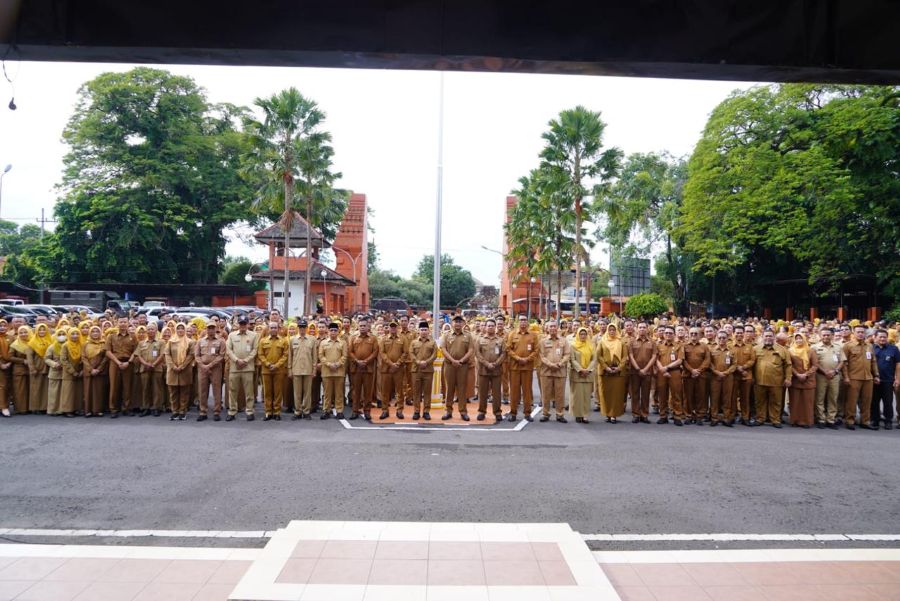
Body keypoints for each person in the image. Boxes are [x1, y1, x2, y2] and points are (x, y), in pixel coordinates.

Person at [751, 329, 792, 428]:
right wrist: (751, 377)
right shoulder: (755, 349)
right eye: (766, 336)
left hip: (776, 381)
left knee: (776, 401)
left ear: (774, 337)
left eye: (770, 336)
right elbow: (751, 364)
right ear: (762, 336)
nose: (768, 338)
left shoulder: (782, 350)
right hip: (759, 380)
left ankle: (775, 420)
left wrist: (788, 378)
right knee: (759, 401)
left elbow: (788, 365)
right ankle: (760, 418)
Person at [841, 324, 878, 430]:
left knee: (867, 401)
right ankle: (850, 420)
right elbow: (844, 363)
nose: (861, 334)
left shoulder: (869, 346)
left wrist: (876, 375)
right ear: (853, 333)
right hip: (854, 377)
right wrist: (846, 377)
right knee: (852, 401)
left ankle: (865, 421)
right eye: (858, 332)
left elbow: (873, 362)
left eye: (862, 332)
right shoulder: (848, 346)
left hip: (868, 378)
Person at [506, 314, 539, 422]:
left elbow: (536, 350)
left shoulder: (533, 335)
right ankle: (513, 412)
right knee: (514, 391)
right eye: (521, 320)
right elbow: (508, 349)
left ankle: (527, 413)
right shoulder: (512, 334)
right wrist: (518, 358)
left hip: (527, 367)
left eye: (525, 320)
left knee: (527, 391)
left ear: (527, 322)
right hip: (515, 367)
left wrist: (527, 359)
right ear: (518, 322)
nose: (523, 322)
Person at [441, 315, 474, 421]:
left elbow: (470, 350)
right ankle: (448, 411)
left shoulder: (468, 336)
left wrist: (461, 360)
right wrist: (453, 360)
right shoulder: (446, 335)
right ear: (452, 323)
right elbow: (443, 349)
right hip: (450, 365)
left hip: (462, 366)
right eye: (456, 322)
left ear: (463, 323)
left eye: (460, 322)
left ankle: (463, 411)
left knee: (462, 389)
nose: (458, 324)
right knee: (449, 388)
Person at [226, 317, 259, 421]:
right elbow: (229, 350)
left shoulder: (254, 335)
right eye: (241, 324)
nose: (243, 326)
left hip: (248, 367)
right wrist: (236, 360)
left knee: (249, 391)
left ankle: (249, 411)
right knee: (233, 391)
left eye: (245, 323)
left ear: (248, 324)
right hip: (235, 367)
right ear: (238, 324)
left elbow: (255, 350)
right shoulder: (231, 335)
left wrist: (245, 360)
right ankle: (232, 411)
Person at [538, 320, 569, 423]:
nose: (552, 328)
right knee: (546, 393)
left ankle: (559, 414)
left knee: (560, 394)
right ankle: (545, 413)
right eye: (550, 327)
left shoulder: (564, 341)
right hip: (546, 371)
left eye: (554, 326)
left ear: (557, 328)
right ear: (547, 328)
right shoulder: (543, 341)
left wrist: (560, 363)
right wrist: (551, 365)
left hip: (560, 371)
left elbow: (567, 354)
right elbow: (541, 356)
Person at [475, 318, 505, 423]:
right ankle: (482, 412)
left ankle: (497, 412)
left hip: (496, 370)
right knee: (483, 392)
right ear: (485, 327)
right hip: (483, 370)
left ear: (495, 327)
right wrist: (487, 364)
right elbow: (477, 354)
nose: (490, 327)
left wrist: (496, 364)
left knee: (496, 393)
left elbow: (503, 354)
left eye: (492, 325)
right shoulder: (480, 339)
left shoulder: (500, 340)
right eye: (488, 325)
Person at [105, 317, 137, 417]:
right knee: (114, 386)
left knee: (127, 387)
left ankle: (126, 408)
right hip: (115, 363)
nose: (123, 324)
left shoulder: (132, 336)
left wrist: (129, 362)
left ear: (128, 323)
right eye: (121, 322)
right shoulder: (111, 336)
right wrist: (118, 362)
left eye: (125, 322)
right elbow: (107, 351)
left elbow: (136, 351)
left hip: (128, 363)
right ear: (116, 323)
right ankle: (113, 409)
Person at [812, 327, 843, 429]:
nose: (826, 337)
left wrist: (835, 371)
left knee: (833, 398)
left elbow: (842, 361)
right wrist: (824, 371)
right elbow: (814, 362)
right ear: (820, 336)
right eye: (824, 335)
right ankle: (821, 419)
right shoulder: (815, 347)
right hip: (820, 376)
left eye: (828, 335)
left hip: (834, 376)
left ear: (832, 336)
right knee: (819, 398)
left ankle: (831, 419)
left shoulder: (838, 347)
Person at [349, 317, 378, 420]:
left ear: (368, 326)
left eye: (364, 326)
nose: (362, 327)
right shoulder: (353, 338)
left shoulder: (373, 338)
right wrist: (357, 361)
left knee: (368, 391)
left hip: (368, 368)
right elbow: (350, 351)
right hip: (356, 368)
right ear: (358, 326)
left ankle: (367, 411)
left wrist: (366, 361)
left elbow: (375, 352)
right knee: (356, 391)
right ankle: (355, 410)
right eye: (360, 326)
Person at [378, 321, 409, 419]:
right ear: (389, 328)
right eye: (391, 327)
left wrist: (398, 364)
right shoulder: (384, 339)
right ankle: (384, 410)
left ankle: (399, 410)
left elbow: (405, 353)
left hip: (399, 369)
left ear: (397, 328)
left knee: (399, 391)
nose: (393, 329)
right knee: (385, 391)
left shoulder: (403, 339)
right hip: (386, 369)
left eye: (394, 327)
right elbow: (382, 353)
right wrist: (391, 364)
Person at [258, 321, 288, 421]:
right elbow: (260, 355)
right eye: (272, 328)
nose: (273, 329)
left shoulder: (283, 341)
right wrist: (268, 364)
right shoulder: (263, 341)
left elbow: (285, 355)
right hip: (266, 370)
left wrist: (277, 365)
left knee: (278, 392)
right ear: (268, 329)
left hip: (279, 370)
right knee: (267, 392)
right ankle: (268, 412)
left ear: (278, 329)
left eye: (275, 328)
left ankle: (277, 412)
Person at [655, 326, 685, 425]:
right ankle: (663, 415)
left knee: (676, 395)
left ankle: (677, 416)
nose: (668, 334)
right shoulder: (659, 345)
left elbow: (680, 360)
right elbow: (656, 359)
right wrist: (662, 370)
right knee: (662, 395)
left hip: (674, 372)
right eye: (666, 333)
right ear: (663, 334)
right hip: (661, 373)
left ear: (674, 334)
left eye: (670, 333)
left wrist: (667, 368)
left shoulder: (679, 345)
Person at [627, 321, 657, 424]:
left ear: (647, 329)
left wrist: (645, 369)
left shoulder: (652, 342)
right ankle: (635, 414)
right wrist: (638, 369)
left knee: (645, 394)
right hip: (635, 372)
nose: (642, 329)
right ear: (637, 328)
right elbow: (630, 356)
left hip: (647, 372)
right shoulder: (632, 342)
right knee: (635, 394)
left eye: (644, 327)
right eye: (640, 327)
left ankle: (644, 414)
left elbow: (654, 356)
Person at [165, 323, 196, 421]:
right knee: (173, 392)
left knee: (184, 392)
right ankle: (175, 411)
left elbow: (191, 355)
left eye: (182, 328)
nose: (180, 330)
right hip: (172, 370)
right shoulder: (171, 341)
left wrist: (182, 366)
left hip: (185, 370)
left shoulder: (190, 342)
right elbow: (167, 354)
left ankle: (182, 411)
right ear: (175, 330)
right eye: (178, 329)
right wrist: (173, 366)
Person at [871, 328, 900, 430]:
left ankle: (888, 421)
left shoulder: (893, 349)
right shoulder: (871, 348)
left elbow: (898, 364)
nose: (883, 339)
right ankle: (875, 420)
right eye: (880, 337)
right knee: (874, 401)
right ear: (875, 337)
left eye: (884, 337)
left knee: (888, 401)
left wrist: (897, 379)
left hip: (888, 379)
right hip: (874, 379)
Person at [597, 323, 627, 423]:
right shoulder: (602, 341)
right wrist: (606, 367)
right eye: (610, 330)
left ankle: (614, 414)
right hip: (605, 373)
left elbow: (624, 357)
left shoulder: (621, 342)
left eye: (614, 330)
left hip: (618, 373)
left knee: (616, 394)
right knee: (606, 394)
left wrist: (619, 368)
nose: (612, 332)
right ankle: (607, 413)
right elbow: (599, 356)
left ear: (617, 330)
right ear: (607, 331)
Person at [195, 322, 225, 421]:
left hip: (215, 368)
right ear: (206, 329)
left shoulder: (221, 341)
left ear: (215, 329)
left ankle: (217, 411)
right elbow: (197, 355)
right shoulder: (200, 341)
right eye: (209, 328)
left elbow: (221, 355)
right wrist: (203, 365)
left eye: (212, 328)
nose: (210, 330)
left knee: (217, 390)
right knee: (202, 390)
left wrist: (210, 365)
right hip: (202, 368)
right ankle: (203, 411)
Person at [134, 324, 165, 416]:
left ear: (156, 331)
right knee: (145, 388)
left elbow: (162, 355)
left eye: (152, 329)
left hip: (157, 368)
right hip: (144, 368)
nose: (150, 331)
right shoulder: (141, 343)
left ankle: (156, 407)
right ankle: (145, 407)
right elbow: (138, 355)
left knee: (157, 389)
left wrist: (154, 364)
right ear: (146, 331)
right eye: (149, 329)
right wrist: (145, 364)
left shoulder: (161, 342)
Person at [788, 332, 818, 428]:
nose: (799, 340)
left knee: (807, 402)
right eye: (797, 338)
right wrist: (797, 374)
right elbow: (789, 365)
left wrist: (806, 374)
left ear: (804, 339)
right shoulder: (790, 351)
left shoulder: (811, 351)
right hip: (795, 379)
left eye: (801, 338)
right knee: (795, 401)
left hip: (808, 380)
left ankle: (806, 421)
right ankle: (794, 420)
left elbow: (815, 365)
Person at [318, 322, 348, 419]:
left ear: (338, 331)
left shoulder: (342, 342)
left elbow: (345, 356)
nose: (333, 332)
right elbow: (321, 356)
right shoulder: (323, 343)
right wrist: (329, 364)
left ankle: (339, 411)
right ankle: (326, 410)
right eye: (331, 330)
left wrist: (337, 364)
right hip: (327, 371)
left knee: (339, 393)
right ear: (328, 331)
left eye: (335, 330)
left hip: (339, 371)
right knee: (327, 393)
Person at [408, 321, 437, 420]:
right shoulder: (414, 342)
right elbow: (411, 354)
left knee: (427, 392)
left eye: (425, 330)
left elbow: (434, 355)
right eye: (422, 330)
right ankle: (416, 411)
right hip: (416, 370)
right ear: (418, 331)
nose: (423, 331)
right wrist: (418, 362)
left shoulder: (432, 342)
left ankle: (426, 411)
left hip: (428, 370)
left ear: (428, 331)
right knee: (416, 392)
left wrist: (426, 362)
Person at [682, 327, 710, 425]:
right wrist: (691, 370)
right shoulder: (684, 346)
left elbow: (707, 360)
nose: (693, 335)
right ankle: (689, 415)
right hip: (688, 375)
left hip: (701, 375)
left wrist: (698, 370)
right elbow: (683, 360)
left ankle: (699, 416)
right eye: (691, 333)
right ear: (689, 334)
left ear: (699, 335)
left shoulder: (704, 346)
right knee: (688, 396)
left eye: (695, 333)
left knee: (700, 396)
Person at [708, 329, 736, 426]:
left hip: (728, 378)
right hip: (715, 377)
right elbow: (710, 364)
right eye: (719, 338)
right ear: (716, 338)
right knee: (714, 398)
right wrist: (716, 372)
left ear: (727, 339)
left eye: (724, 338)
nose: (721, 339)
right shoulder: (712, 350)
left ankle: (726, 418)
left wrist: (725, 373)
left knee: (727, 398)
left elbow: (734, 364)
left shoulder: (732, 350)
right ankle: (714, 418)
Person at [570, 326, 596, 424]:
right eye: (581, 334)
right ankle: (578, 414)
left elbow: (594, 359)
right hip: (578, 374)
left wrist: (588, 370)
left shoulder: (591, 345)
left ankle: (585, 415)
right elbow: (572, 359)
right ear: (577, 335)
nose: (583, 336)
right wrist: (580, 370)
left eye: (584, 334)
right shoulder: (573, 345)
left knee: (586, 396)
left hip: (588, 374)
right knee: (578, 396)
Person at [732, 326, 757, 425]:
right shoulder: (730, 346)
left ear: (744, 334)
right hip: (733, 375)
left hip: (747, 375)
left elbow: (752, 360)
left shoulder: (749, 347)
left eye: (741, 333)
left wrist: (744, 367)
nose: (739, 334)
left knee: (745, 398)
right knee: (733, 397)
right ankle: (733, 416)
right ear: (733, 333)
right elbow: (728, 360)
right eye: (737, 333)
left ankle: (745, 417)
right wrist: (738, 367)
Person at [82, 325, 108, 418]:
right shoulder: (86, 344)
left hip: (100, 371)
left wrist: (99, 369)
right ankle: (88, 410)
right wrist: (90, 369)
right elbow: (83, 357)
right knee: (88, 391)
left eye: (97, 331)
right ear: (90, 333)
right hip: (89, 371)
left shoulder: (104, 343)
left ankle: (98, 410)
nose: (95, 333)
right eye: (93, 332)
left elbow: (105, 358)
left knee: (98, 391)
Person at [26, 323, 52, 414]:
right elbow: (29, 357)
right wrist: (32, 368)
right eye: (40, 330)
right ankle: (35, 407)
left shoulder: (51, 340)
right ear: (36, 331)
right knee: (36, 388)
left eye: (44, 329)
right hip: (36, 367)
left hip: (47, 367)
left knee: (45, 388)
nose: (42, 331)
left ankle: (44, 407)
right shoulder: (32, 342)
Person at [59, 328, 83, 416]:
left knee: (78, 392)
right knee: (68, 392)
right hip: (68, 372)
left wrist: (81, 370)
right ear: (69, 335)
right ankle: (67, 410)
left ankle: (77, 408)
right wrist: (73, 371)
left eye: (77, 334)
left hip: (79, 371)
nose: (75, 336)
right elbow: (63, 360)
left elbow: (84, 358)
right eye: (73, 334)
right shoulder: (65, 345)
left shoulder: (81, 344)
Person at [9, 326, 31, 414]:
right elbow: (10, 357)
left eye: (25, 332)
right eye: (21, 333)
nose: (23, 334)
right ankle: (21, 409)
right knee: (20, 390)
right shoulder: (15, 344)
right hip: (18, 370)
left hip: (30, 370)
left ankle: (30, 407)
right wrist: (23, 361)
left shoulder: (32, 343)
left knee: (29, 389)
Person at [44, 328, 65, 416]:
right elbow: (46, 358)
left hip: (65, 372)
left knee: (63, 393)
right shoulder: (52, 347)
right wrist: (54, 364)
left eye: (63, 334)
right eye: (59, 334)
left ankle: (62, 409)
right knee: (54, 393)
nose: (61, 336)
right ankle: (52, 410)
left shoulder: (68, 345)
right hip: (55, 372)